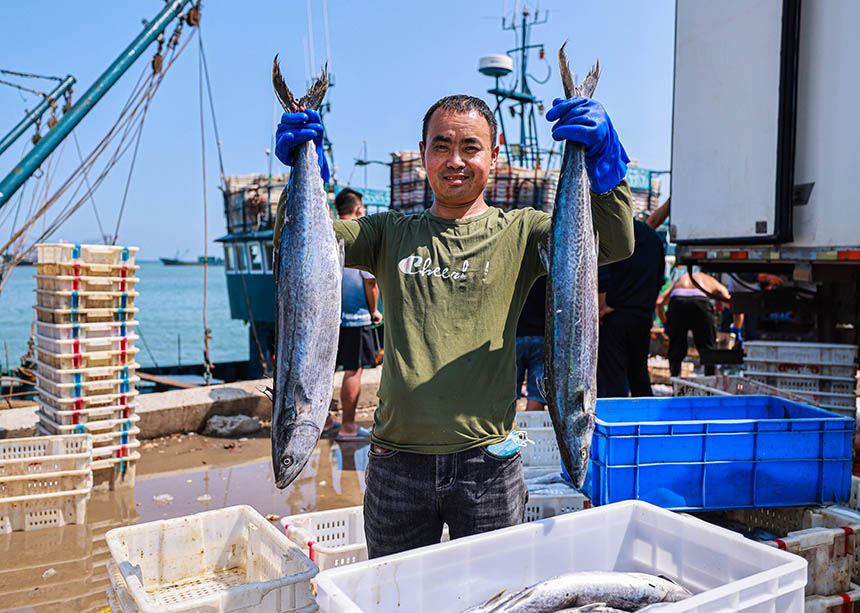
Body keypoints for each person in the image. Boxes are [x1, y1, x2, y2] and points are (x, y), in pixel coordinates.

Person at [274, 93, 634, 558]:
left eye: (471, 147)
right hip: (395, 465)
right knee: (395, 594)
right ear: (423, 152)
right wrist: (300, 179)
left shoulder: (522, 232)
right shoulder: (387, 233)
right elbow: (297, 251)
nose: (455, 160)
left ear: (494, 153)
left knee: (492, 598)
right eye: (441, 146)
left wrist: (607, 165)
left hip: (490, 467)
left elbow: (615, 243)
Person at [321, 188, 383, 442]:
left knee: (324, 371)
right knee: (353, 371)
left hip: (327, 318)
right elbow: (370, 282)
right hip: (356, 318)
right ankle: (348, 426)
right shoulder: (360, 234)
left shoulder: (327, 233)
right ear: (359, 210)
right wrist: (374, 310)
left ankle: (323, 421)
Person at [596, 219, 665, 397]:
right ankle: (646, 421)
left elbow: (602, 273)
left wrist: (601, 307)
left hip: (614, 315)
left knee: (613, 378)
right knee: (639, 374)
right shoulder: (654, 238)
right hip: (641, 316)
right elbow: (659, 280)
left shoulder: (612, 233)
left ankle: (616, 421)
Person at [656, 271, 731, 377]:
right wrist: (737, 327)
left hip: (678, 303)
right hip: (701, 304)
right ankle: (709, 381)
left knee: (676, 348)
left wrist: (665, 323)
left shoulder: (681, 279)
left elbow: (659, 302)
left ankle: (676, 380)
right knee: (708, 349)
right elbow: (729, 301)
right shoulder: (711, 281)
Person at [515, 276, 547, 411]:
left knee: (509, 393)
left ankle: (510, 430)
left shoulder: (516, 273)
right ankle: (534, 431)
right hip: (542, 336)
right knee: (537, 393)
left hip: (515, 336)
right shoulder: (546, 272)